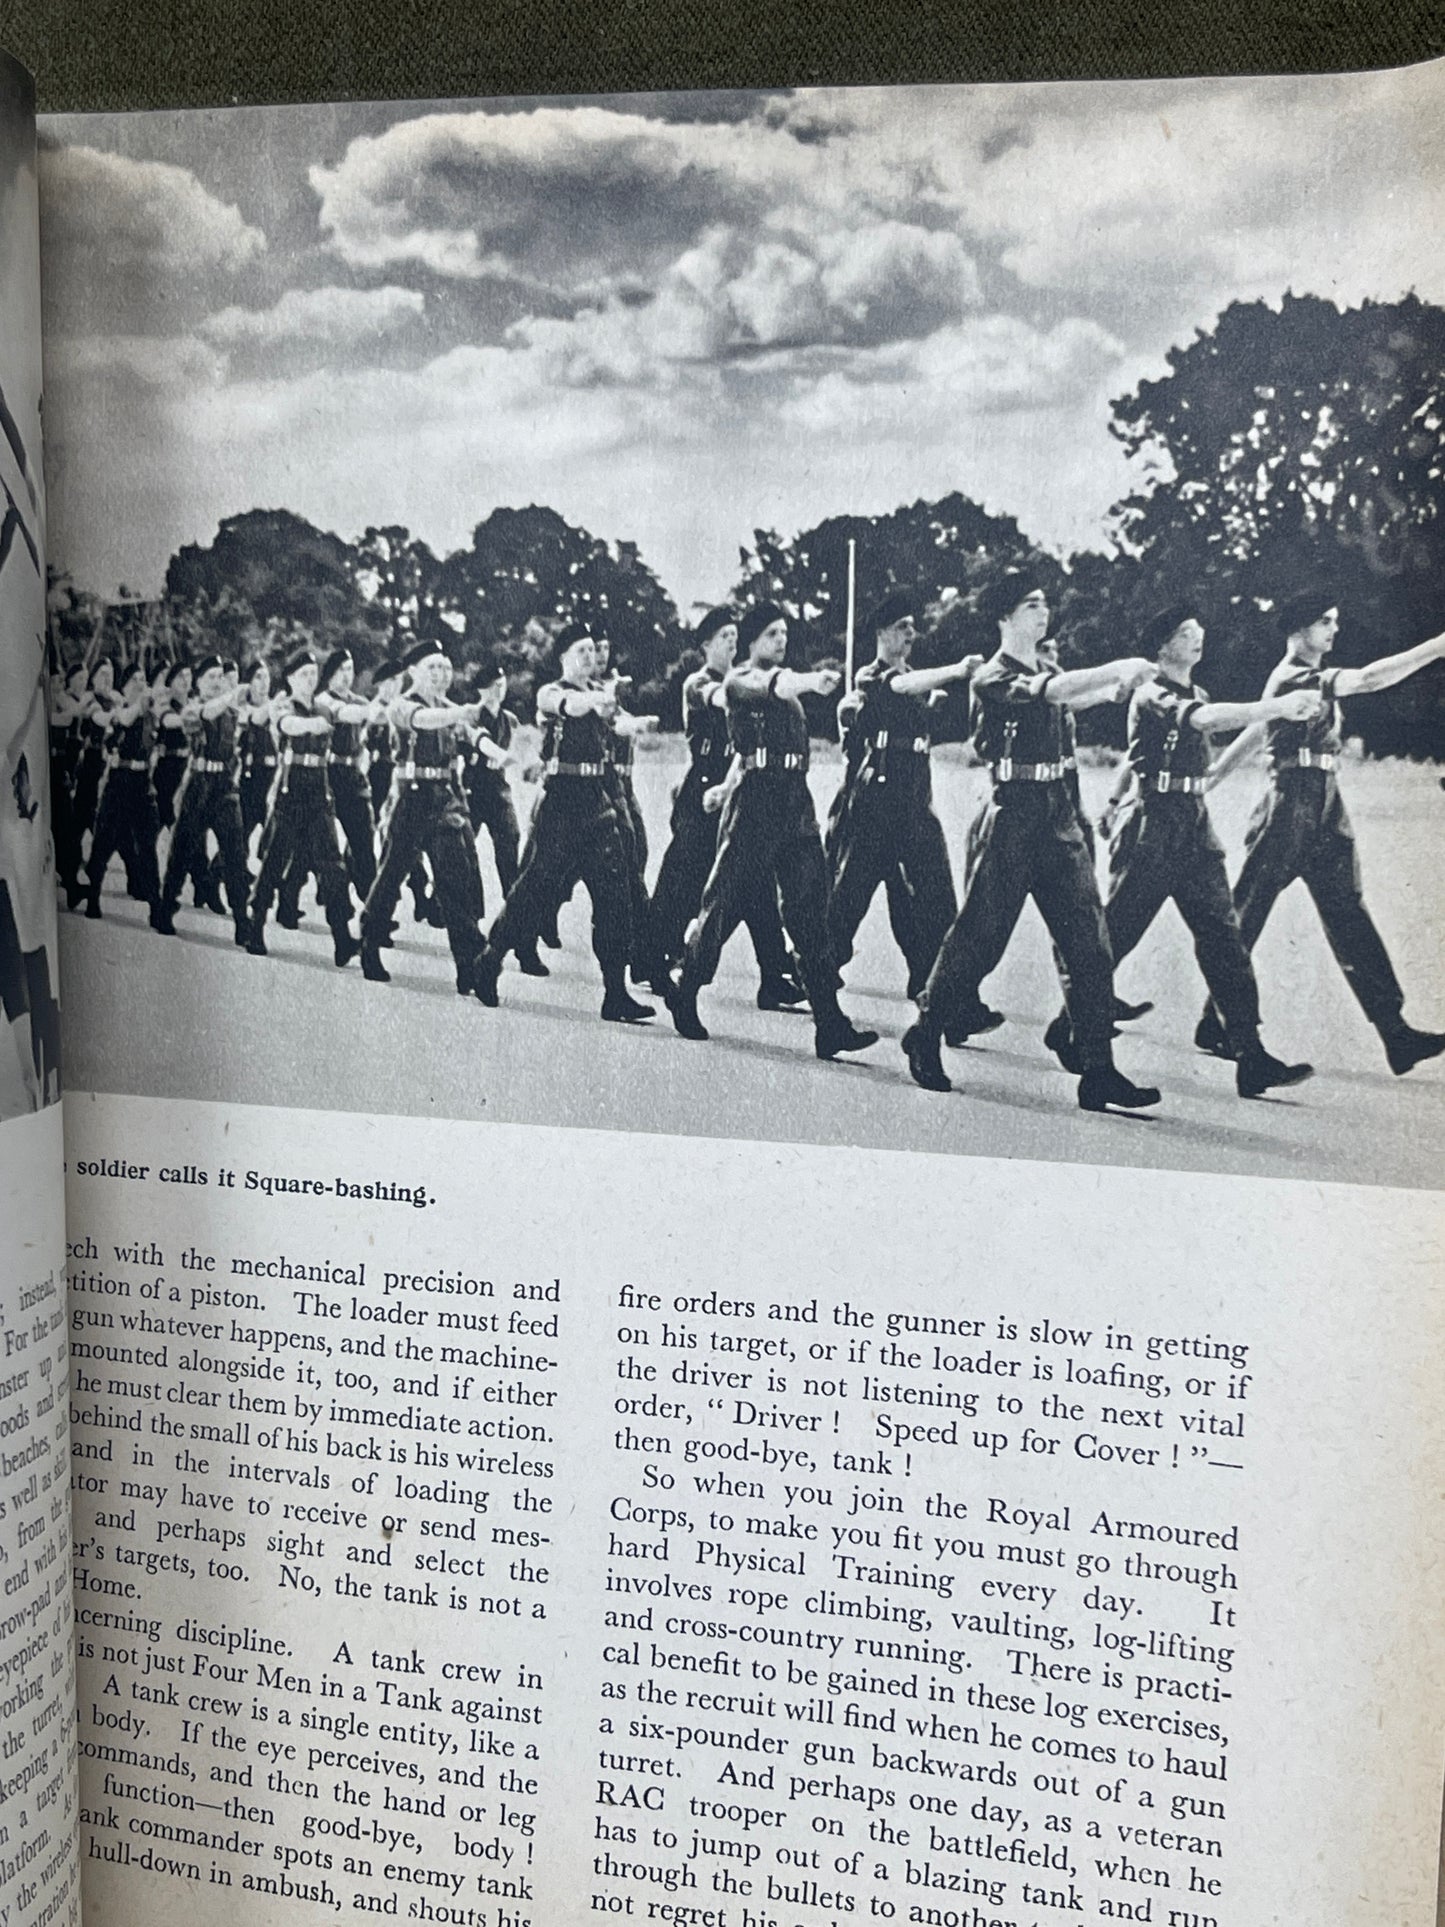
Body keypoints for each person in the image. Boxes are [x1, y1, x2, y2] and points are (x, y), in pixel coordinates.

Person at [902, 574, 1160, 1111]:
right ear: (1004, 617)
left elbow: (1065, 699)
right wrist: (1115, 667)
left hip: (1057, 814)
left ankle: (1098, 1070)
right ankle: (926, 1031)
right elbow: (1049, 694)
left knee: (1090, 943)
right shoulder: (993, 677)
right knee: (980, 940)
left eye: (1044, 603)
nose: (1044, 612)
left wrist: (1115, 691)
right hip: (1013, 815)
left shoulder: (1049, 669)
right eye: (1031, 605)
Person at [1044, 605, 1317, 1097]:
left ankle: (1249, 1054)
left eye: (1199, 629)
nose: (1198, 637)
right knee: (1115, 934)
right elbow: (1204, 721)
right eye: (1186, 633)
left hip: (1192, 823)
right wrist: (1274, 707)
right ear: (1164, 646)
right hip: (1153, 825)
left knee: (1224, 938)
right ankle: (1071, 1024)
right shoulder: (1153, 695)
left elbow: (1199, 735)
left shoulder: (1197, 692)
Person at [1197, 589, 1445, 1076]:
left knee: (1347, 914)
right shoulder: (1296, 676)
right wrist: (1436, 648)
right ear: (1298, 631)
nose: (1335, 629)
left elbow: (1259, 726)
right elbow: (1371, 679)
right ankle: (1215, 1021)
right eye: (1325, 622)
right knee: (1244, 916)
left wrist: (1217, 771)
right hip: (1290, 803)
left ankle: (1394, 1032)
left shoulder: (1287, 683)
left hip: (1325, 802)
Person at [665, 602, 877, 1061]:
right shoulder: (741, 681)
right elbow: (773, 684)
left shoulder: (789, 698)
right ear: (754, 641)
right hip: (756, 806)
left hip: (794, 804)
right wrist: (809, 680)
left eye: (784, 633)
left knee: (809, 916)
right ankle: (686, 988)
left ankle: (830, 1023)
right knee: (721, 905)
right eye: (772, 635)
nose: (781, 641)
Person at [472, 626, 650, 1022]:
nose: (589, 656)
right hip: (562, 803)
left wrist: (632, 723)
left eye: (592, 650)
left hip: (597, 800)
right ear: (564, 658)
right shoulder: (551, 693)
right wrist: (601, 698)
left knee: (614, 896)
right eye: (581, 651)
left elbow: (616, 722)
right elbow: (572, 705)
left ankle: (615, 993)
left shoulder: (599, 697)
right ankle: (490, 958)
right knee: (533, 888)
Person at [647, 607, 803, 1009]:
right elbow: (716, 698)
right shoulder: (699, 683)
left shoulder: (747, 681)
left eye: (736, 636)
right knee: (684, 877)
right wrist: (738, 692)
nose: (732, 643)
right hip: (701, 787)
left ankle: (773, 974)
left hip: (735, 786)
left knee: (757, 885)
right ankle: (653, 955)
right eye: (723, 637)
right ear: (705, 646)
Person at [826, 592, 979, 1000]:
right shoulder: (870, 677)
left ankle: (948, 995)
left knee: (936, 899)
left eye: (912, 626)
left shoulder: (916, 682)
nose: (911, 633)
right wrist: (956, 670)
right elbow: (901, 684)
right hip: (876, 804)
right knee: (848, 900)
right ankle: (816, 971)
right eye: (901, 627)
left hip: (913, 801)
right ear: (880, 633)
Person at [357, 641, 488, 996]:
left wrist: (494, 748)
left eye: (445, 667)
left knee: (454, 881)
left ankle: (469, 964)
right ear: (413, 671)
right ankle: (370, 940)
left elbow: (473, 736)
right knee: (392, 874)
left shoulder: (448, 707)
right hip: (410, 798)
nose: (441, 674)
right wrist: (459, 713)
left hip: (443, 799)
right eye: (432, 667)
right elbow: (424, 721)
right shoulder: (402, 705)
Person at [245, 646, 360, 967]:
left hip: (320, 794)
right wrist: (310, 726)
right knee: (274, 860)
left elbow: (347, 714)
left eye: (313, 675)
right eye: (304, 675)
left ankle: (342, 938)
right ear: (292, 679)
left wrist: (371, 710)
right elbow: (287, 726)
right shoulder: (283, 704)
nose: (310, 680)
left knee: (333, 866)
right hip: (290, 791)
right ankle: (256, 926)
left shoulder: (324, 706)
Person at [152, 654, 251, 945]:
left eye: (221, 676)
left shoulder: (231, 711)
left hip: (224, 787)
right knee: (182, 851)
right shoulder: (194, 709)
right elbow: (208, 713)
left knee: (236, 854)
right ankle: (166, 907)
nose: (217, 682)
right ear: (198, 682)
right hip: (198, 785)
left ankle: (242, 920)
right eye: (211, 677)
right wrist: (233, 694)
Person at [81, 658, 162, 919]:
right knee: (103, 843)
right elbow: (126, 720)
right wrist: (140, 704)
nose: (140, 685)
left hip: (142, 784)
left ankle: (156, 905)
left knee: (148, 845)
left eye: (142, 680)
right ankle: (92, 895)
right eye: (134, 681)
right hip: (119, 781)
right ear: (124, 688)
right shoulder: (119, 711)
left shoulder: (151, 715)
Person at [237, 658, 278, 849]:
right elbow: (256, 718)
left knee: (275, 838)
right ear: (249, 682)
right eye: (258, 677)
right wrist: (275, 705)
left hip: (274, 777)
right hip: (251, 777)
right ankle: (219, 873)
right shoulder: (243, 709)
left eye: (266, 677)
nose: (264, 683)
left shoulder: (276, 708)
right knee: (242, 833)